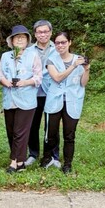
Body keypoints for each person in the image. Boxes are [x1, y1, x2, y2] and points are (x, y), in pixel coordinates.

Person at [40, 32, 90, 174]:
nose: (60, 45)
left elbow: (83, 83)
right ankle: (47, 158)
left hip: (73, 101)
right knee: (50, 132)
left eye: (63, 42)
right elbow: (57, 78)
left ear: (69, 42)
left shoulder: (79, 60)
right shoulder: (51, 60)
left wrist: (86, 70)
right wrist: (73, 66)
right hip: (54, 100)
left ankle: (67, 164)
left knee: (69, 135)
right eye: (57, 43)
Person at [0, 25, 42, 173]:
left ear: (28, 39)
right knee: (11, 131)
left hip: (26, 99)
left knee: (20, 132)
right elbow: (0, 74)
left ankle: (16, 162)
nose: (20, 39)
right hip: (9, 98)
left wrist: (25, 82)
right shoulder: (5, 56)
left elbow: (38, 77)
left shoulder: (33, 55)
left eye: (23, 36)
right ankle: (18, 160)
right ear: (12, 40)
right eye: (17, 37)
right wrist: (5, 81)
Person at [25, 20, 60, 168]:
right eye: (39, 32)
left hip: (53, 91)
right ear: (35, 34)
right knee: (32, 125)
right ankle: (33, 154)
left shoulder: (58, 48)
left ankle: (53, 155)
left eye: (46, 31)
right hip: (33, 92)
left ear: (51, 32)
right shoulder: (28, 50)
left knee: (52, 126)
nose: (43, 34)